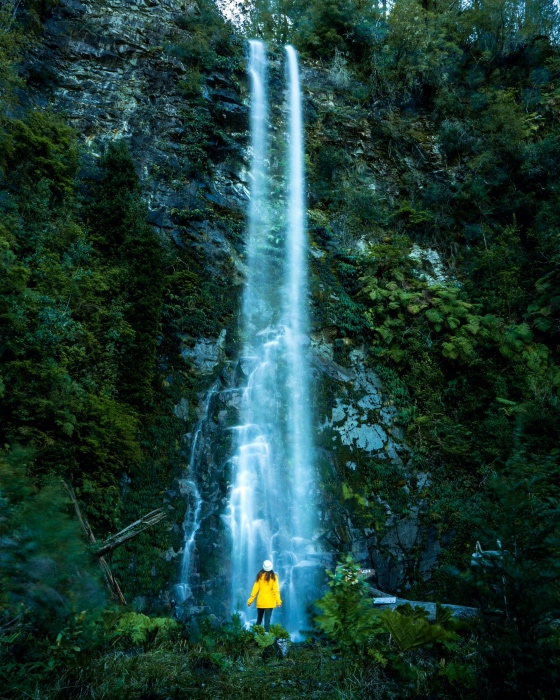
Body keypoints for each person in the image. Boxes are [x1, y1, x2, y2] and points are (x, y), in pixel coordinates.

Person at [247, 559, 282, 631]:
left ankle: (256, 635)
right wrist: (279, 602)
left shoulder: (259, 576)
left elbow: (255, 589)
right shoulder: (274, 577)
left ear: (263, 567)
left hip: (261, 602)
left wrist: (250, 601)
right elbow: (276, 590)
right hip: (269, 603)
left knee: (259, 620)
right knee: (267, 622)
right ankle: (265, 639)